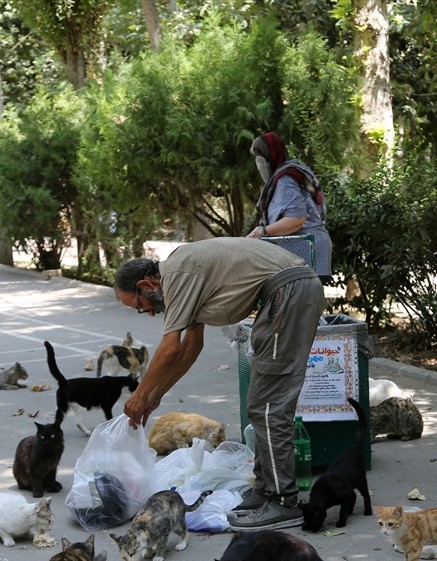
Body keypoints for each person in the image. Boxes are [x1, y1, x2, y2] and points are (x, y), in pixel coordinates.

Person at [113, 238, 325, 531]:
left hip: (289, 293)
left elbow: (170, 348)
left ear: (146, 285)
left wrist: (138, 395)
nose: (149, 313)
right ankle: (266, 490)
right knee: (260, 405)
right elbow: (191, 347)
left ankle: (284, 503)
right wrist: (155, 395)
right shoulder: (182, 277)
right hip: (285, 295)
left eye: (141, 306)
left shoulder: (176, 275)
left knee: (268, 407)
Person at [248, 132, 332, 285]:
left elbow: (297, 219)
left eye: (261, 160)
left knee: (298, 307)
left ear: (269, 157)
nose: (259, 166)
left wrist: (262, 232)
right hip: (312, 252)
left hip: (305, 254)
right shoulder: (295, 170)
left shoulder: (286, 179)